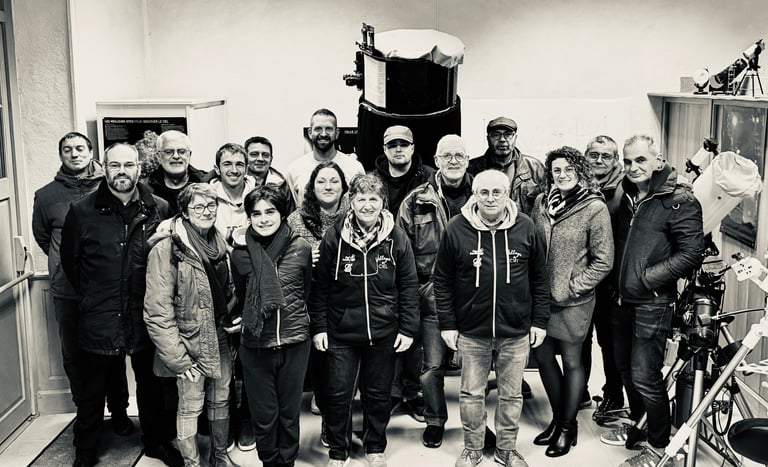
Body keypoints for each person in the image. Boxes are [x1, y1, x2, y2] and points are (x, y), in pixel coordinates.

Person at [60, 143, 180, 467]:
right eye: (115, 165)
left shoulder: (159, 208)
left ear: (139, 168)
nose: (122, 171)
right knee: (92, 390)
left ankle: (155, 442)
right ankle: (85, 451)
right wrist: (95, 296)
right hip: (100, 312)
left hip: (146, 313)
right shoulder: (81, 212)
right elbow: (72, 264)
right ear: (105, 168)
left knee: (151, 386)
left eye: (129, 165)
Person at [433, 169, 549, 467]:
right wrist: (448, 324)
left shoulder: (526, 226)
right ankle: (473, 448)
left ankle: (506, 449)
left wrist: (539, 321)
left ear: (507, 194)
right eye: (483, 192)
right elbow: (442, 281)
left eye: (497, 192)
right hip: (472, 331)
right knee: (471, 394)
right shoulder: (456, 228)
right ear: (474, 195)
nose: (490, 198)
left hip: (515, 331)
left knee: (511, 395)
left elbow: (540, 278)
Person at [600, 135, 704, 467]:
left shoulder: (679, 199)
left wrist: (647, 279)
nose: (633, 167)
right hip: (620, 299)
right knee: (625, 370)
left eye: (641, 160)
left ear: (658, 161)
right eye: (628, 161)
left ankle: (659, 447)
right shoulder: (625, 194)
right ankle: (639, 425)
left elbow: (691, 253)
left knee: (646, 375)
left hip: (652, 302)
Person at [309, 173, 419, 467]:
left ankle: (375, 446)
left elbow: (409, 285)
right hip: (341, 331)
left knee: (378, 395)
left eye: (373, 199)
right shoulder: (334, 237)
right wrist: (319, 327)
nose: (367, 205)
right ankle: (338, 451)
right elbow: (320, 287)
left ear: (383, 202)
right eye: (361, 199)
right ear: (351, 202)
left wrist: (408, 328)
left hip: (384, 330)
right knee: (338, 394)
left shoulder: (397, 238)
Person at [31, 131, 133, 435]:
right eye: (67, 149)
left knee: (112, 353)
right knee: (75, 355)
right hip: (68, 290)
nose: (74, 154)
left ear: (91, 153)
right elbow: (44, 237)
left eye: (79, 148)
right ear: (61, 155)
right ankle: (86, 413)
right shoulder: (46, 196)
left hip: (106, 290)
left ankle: (119, 411)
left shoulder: (110, 186)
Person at [144, 183, 240, 467]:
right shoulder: (166, 248)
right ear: (184, 212)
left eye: (211, 205)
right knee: (189, 407)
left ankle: (220, 458)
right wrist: (179, 360)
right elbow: (157, 311)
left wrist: (235, 316)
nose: (206, 212)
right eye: (198, 207)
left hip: (219, 336)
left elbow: (228, 292)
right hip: (187, 341)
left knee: (220, 399)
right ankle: (192, 464)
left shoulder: (221, 243)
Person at [530, 146, 614, 457]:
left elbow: (604, 261)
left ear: (579, 171)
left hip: (574, 301)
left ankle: (568, 427)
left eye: (569, 169)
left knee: (572, 361)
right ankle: (558, 419)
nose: (562, 175)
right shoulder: (542, 203)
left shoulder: (594, 207)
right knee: (542, 357)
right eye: (557, 170)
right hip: (541, 299)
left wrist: (572, 288)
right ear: (550, 175)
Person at [396, 134, 474, 448]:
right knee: (431, 367)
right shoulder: (415, 201)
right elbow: (402, 256)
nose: (453, 161)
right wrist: (416, 294)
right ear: (436, 161)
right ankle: (435, 421)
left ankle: (475, 424)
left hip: (476, 297)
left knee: (475, 367)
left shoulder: (483, 195)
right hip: (432, 297)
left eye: (459, 155)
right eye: (447, 155)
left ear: (468, 160)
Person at [230, 185, 312, 467]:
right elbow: (242, 297)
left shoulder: (300, 247)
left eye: (270, 211)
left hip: (294, 342)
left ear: (282, 214)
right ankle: (269, 461)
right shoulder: (240, 253)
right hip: (256, 345)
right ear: (249, 217)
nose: (264, 219)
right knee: (264, 416)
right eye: (257, 213)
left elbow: (305, 292)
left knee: (289, 414)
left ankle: (287, 462)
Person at [285, 160, 350, 447]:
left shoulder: (353, 215)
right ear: (311, 186)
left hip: (347, 300)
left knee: (342, 369)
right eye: (321, 181)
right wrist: (302, 259)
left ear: (343, 187)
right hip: (309, 301)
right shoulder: (295, 219)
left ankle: (336, 423)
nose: (328, 186)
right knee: (319, 364)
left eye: (334, 181)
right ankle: (324, 414)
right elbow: (282, 256)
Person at [372, 124, 434, 422]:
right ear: (384, 149)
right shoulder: (372, 180)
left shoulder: (430, 178)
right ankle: (391, 392)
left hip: (419, 269)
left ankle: (413, 392)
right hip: (381, 268)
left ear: (412, 148)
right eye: (392, 145)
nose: (398, 149)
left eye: (404, 144)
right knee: (387, 334)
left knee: (415, 334)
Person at [581, 135, 626, 422]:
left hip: (611, 282)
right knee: (580, 340)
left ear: (616, 160)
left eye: (606, 156)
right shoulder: (577, 185)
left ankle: (613, 396)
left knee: (610, 344)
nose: (598, 160)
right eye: (593, 155)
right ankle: (580, 393)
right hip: (582, 280)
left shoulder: (625, 189)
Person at [468, 117, 546, 217]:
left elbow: (546, 206)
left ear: (515, 138)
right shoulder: (472, 168)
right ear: (488, 139)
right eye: (496, 135)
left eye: (508, 134)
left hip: (523, 226)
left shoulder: (535, 167)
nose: (502, 140)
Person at [284, 108, 365, 204]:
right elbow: (290, 209)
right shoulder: (294, 170)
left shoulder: (355, 168)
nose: (323, 134)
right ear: (310, 133)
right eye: (318, 129)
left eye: (328, 129)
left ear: (337, 133)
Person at [144, 130, 209, 215]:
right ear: (158, 156)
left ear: (189, 155)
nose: (176, 156)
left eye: (181, 152)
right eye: (169, 152)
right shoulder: (145, 189)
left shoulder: (206, 183)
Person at [208, 143, 256, 243]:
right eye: (227, 164)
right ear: (217, 169)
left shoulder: (258, 197)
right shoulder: (206, 198)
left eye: (239, 164)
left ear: (246, 169)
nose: (234, 170)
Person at [243, 135, 296, 213]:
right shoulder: (237, 182)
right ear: (245, 157)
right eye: (254, 154)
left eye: (265, 155)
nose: (260, 159)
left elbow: (291, 216)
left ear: (271, 159)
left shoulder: (281, 185)